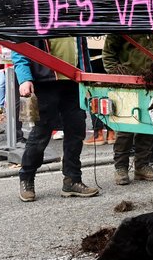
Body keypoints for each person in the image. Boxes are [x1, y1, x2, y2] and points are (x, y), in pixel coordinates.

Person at [12, 37, 98, 202]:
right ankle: (27, 178)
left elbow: (82, 48)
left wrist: (87, 75)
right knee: (40, 134)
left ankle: (72, 180)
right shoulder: (37, 14)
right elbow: (20, 46)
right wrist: (24, 78)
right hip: (45, 83)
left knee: (76, 131)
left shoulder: (74, 17)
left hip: (74, 81)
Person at [102, 33, 153, 185]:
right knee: (125, 128)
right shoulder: (125, 22)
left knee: (149, 126)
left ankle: (142, 165)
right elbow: (108, 54)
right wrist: (118, 76)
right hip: (127, 84)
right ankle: (121, 168)